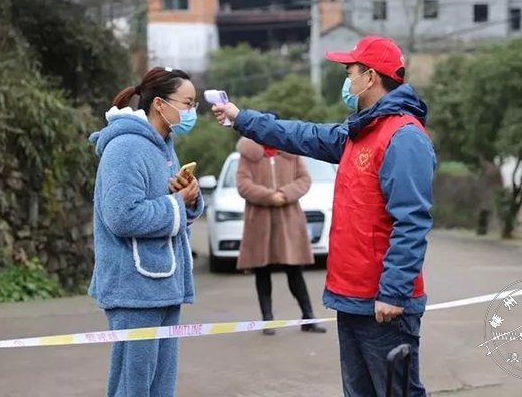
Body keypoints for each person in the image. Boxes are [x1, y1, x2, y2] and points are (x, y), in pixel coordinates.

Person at [212, 36, 435, 397]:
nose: (347, 80)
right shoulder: (359, 132)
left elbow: (411, 223)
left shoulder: (403, 137)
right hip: (352, 297)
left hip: (383, 302)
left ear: (370, 77)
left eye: (350, 71)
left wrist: (393, 292)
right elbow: (301, 135)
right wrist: (242, 118)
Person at [89, 66, 204, 397]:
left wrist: (187, 196)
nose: (191, 112)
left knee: (159, 386)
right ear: (159, 104)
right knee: (133, 387)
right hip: (133, 288)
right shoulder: (125, 148)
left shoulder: (163, 145)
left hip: (164, 285)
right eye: (187, 103)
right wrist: (177, 204)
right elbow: (122, 216)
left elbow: (167, 206)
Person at [235, 137, 326, 335]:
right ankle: (267, 320)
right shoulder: (248, 154)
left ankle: (308, 317)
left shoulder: (290, 151)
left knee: (295, 270)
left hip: (289, 219)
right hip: (259, 222)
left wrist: (284, 194)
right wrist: (269, 196)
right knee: (262, 271)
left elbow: (304, 179)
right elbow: (243, 184)